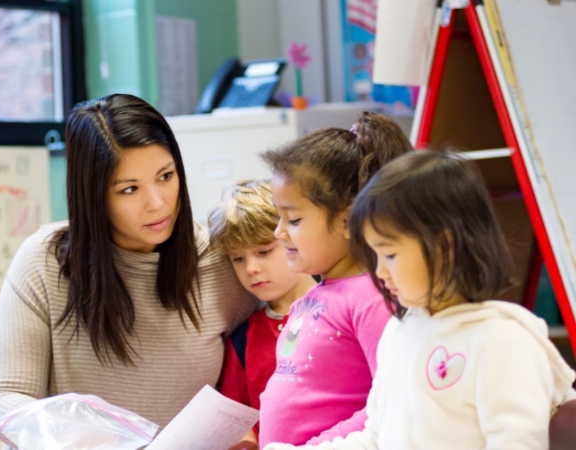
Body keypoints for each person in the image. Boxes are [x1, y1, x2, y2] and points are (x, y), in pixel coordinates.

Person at [0, 94, 258, 446]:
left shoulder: (220, 258)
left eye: (166, 176)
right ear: (94, 196)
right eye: (129, 189)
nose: (158, 203)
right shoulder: (44, 261)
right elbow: (3, 399)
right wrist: (84, 436)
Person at [265, 150, 576, 449]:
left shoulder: (501, 339)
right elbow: (376, 436)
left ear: (444, 246)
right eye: (374, 254)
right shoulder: (401, 331)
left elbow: (517, 443)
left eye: (389, 254)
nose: (380, 270)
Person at [258, 112, 413, 447]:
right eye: (278, 215)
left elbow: (390, 404)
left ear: (348, 220)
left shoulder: (373, 299)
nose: (278, 231)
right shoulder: (313, 297)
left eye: (294, 219)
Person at [207, 179, 316, 449]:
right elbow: (237, 424)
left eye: (264, 251)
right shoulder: (242, 339)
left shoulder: (341, 312)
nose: (251, 268)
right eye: (238, 258)